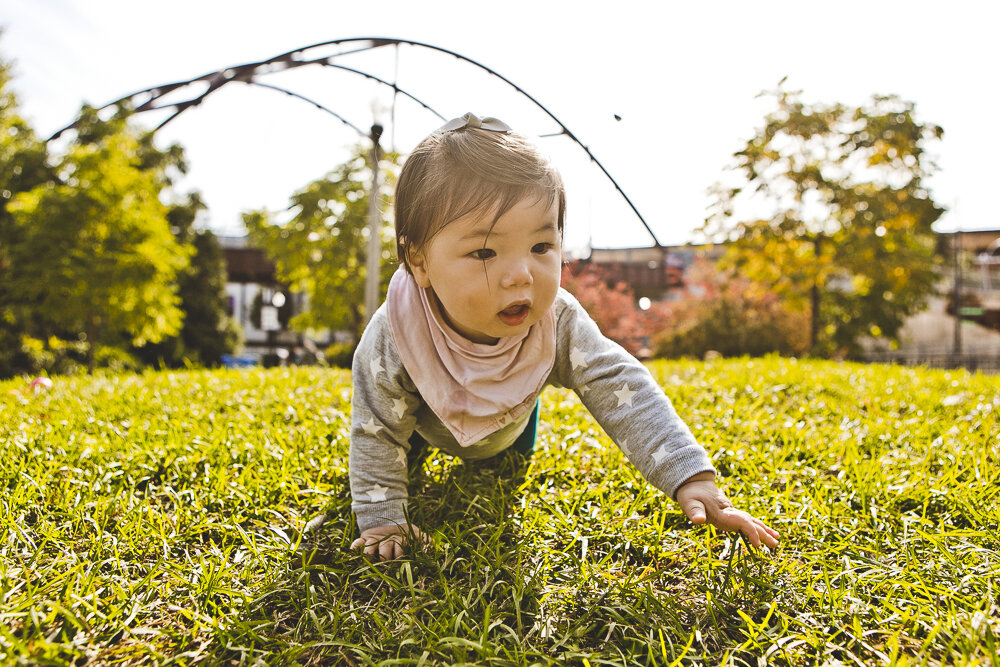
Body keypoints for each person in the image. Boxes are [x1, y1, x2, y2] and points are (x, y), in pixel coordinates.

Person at [348, 113, 779, 561]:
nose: (520, 276)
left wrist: (689, 475)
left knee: (504, 473)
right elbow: (375, 426)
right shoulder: (397, 333)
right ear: (419, 262)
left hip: (511, 427)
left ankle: (507, 443)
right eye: (483, 252)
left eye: (540, 247)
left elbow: (619, 384)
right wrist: (382, 519)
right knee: (394, 450)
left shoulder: (556, 322)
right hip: (420, 424)